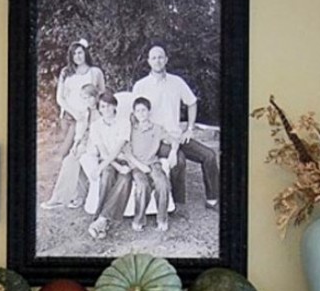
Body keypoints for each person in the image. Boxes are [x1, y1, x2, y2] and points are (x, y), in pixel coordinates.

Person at [132, 45, 219, 211]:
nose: (157, 61)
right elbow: (135, 115)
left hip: (177, 136)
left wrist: (190, 128)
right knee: (178, 160)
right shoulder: (141, 86)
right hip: (156, 139)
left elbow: (192, 102)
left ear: (166, 60)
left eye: (160, 57)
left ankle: (213, 199)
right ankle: (178, 204)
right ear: (149, 62)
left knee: (209, 155)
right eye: (154, 58)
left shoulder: (176, 82)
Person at [41, 83, 101, 210]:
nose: (87, 101)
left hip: (98, 145)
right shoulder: (84, 113)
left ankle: (58, 199)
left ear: (95, 97)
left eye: (89, 97)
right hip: (85, 143)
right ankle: (78, 196)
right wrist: (76, 144)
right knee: (71, 159)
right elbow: (80, 132)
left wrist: (85, 146)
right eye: (83, 98)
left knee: (70, 161)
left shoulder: (102, 110)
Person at [53, 38, 105, 181]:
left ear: (85, 53)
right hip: (70, 117)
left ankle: (82, 193)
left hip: (88, 119)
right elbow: (60, 98)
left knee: (83, 153)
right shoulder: (66, 72)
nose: (78, 56)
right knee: (66, 152)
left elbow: (101, 93)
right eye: (74, 54)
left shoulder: (95, 72)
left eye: (80, 53)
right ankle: (71, 191)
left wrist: (94, 112)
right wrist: (74, 112)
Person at [123, 96, 177, 232]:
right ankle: (139, 219)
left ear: (149, 112)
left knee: (162, 183)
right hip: (137, 165)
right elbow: (127, 152)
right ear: (134, 113)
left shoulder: (157, 128)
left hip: (153, 163)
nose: (141, 114)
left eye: (144, 110)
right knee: (142, 185)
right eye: (138, 111)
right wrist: (140, 166)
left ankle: (162, 219)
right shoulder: (130, 129)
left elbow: (174, 140)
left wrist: (173, 152)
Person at [84, 90, 133, 239]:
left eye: (109, 106)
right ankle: (102, 222)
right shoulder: (95, 126)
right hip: (107, 160)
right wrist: (114, 167)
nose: (106, 110)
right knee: (107, 176)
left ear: (115, 106)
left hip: (122, 158)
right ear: (98, 108)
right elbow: (103, 151)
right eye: (103, 107)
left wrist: (114, 166)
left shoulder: (124, 122)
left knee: (125, 180)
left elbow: (118, 148)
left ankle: (101, 219)